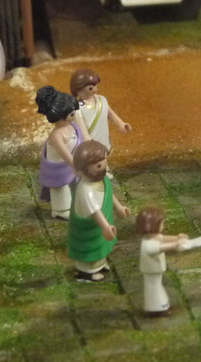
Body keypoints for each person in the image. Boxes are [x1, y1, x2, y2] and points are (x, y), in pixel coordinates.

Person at [68, 141, 131, 282]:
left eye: (105, 163)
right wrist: (105, 226)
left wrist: (119, 207)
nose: (104, 168)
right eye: (98, 166)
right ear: (82, 169)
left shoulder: (102, 180)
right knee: (90, 249)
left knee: (100, 246)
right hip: (91, 227)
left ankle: (100, 265)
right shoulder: (86, 190)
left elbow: (109, 194)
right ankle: (86, 272)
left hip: (101, 225)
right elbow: (95, 211)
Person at [36, 86, 90, 220]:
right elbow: (65, 154)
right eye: (71, 114)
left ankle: (74, 204)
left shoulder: (73, 127)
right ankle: (60, 210)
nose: (75, 115)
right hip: (58, 168)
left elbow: (83, 138)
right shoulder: (56, 136)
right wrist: (76, 166)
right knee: (61, 189)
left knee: (74, 186)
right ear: (60, 116)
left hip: (71, 165)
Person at [137, 206, 188, 315]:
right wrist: (175, 245)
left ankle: (160, 305)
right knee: (154, 288)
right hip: (151, 271)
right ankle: (156, 308)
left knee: (157, 286)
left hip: (154, 270)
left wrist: (177, 237)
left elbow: (163, 238)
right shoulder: (148, 244)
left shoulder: (153, 237)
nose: (163, 226)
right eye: (162, 223)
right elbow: (161, 247)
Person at [70, 68, 131, 151]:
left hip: (104, 139)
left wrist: (121, 124)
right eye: (90, 88)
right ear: (78, 90)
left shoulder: (102, 100)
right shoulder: (77, 108)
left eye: (96, 86)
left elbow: (110, 113)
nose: (95, 90)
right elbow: (81, 127)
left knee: (104, 153)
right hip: (90, 144)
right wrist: (87, 139)